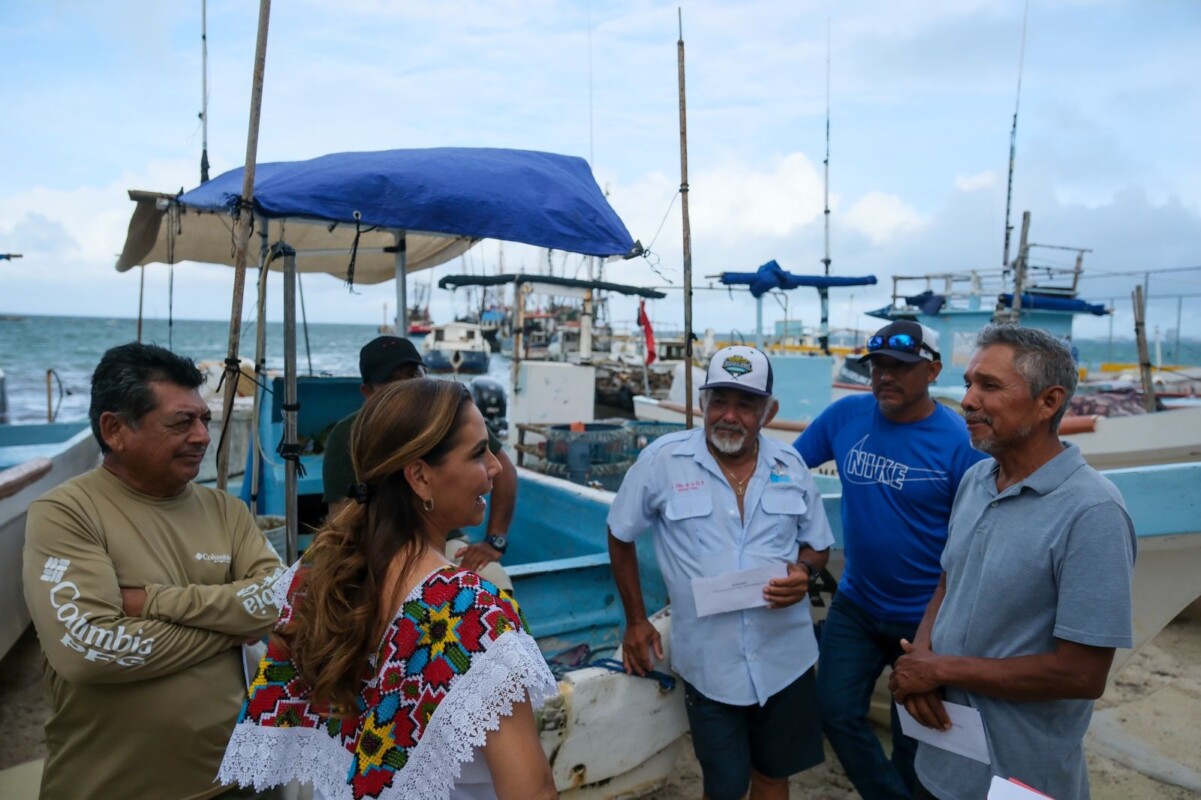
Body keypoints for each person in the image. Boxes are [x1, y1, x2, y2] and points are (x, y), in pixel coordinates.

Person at [218, 378, 559, 800]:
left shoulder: (318, 572)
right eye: (478, 453)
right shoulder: (469, 612)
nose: (495, 466)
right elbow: (532, 789)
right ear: (419, 476)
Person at [22, 342, 285, 800]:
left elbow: (284, 600)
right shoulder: (66, 513)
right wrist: (234, 625)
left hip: (237, 782)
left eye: (204, 419)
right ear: (115, 429)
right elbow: (88, 652)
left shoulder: (225, 510)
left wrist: (154, 602)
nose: (203, 435)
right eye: (182, 422)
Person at [889, 324, 1137, 800]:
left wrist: (942, 671)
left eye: (990, 386)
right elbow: (948, 580)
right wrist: (921, 660)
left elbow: (1081, 675)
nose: (968, 400)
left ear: (1049, 402)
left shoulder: (1093, 512)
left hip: (1020, 780)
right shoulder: (977, 479)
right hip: (942, 761)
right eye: (968, 384)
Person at [607, 345, 834, 800]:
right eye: (719, 401)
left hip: (784, 659)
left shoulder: (792, 467)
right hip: (710, 663)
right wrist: (635, 620)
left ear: (768, 412)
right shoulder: (661, 462)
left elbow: (819, 545)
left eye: (745, 404)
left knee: (773, 776)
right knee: (725, 785)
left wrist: (803, 572)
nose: (729, 416)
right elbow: (620, 533)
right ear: (702, 404)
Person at [794, 320, 987, 799]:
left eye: (900, 367)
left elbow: (979, 538)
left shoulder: (961, 443)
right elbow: (787, 472)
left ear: (933, 370)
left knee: (914, 737)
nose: (884, 376)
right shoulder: (845, 417)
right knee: (833, 710)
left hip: (927, 619)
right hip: (857, 604)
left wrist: (935, 635)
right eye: (876, 366)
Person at [323, 335, 517, 577]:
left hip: (447, 542)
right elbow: (341, 522)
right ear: (368, 392)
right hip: (377, 548)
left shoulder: (450, 420)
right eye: (393, 381)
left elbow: (505, 470)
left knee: (495, 578)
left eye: (413, 375)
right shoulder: (347, 435)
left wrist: (494, 541)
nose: (408, 386)